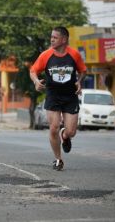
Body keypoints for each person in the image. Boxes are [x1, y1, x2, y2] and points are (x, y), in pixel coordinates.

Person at [30, 26, 87, 171]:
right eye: (51, 37)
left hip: (70, 96)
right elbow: (33, 70)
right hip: (53, 95)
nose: (51, 39)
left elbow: (83, 71)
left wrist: (79, 81)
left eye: (55, 37)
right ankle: (58, 159)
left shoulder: (74, 54)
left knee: (71, 131)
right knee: (54, 127)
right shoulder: (46, 55)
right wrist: (36, 81)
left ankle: (65, 135)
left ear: (64, 39)